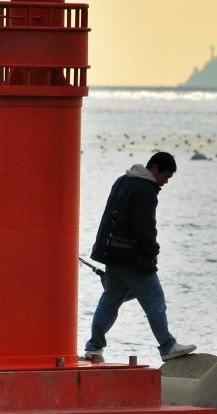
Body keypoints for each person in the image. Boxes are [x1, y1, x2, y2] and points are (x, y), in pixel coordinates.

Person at [84, 151, 197, 363]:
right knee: (155, 299)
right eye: (165, 176)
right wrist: (153, 252)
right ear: (153, 168)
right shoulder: (146, 189)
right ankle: (167, 346)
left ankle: (94, 346)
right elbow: (145, 226)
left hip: (112, 253)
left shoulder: (123, 181)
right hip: (132, 257)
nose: (165, 182)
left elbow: (108, 217)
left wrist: (102, 250)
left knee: (110, 300)